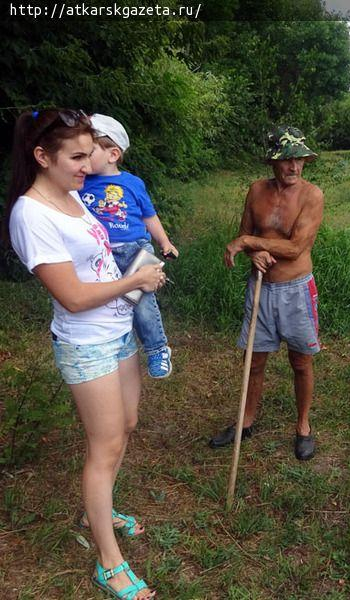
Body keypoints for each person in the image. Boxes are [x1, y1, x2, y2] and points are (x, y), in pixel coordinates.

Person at [3, 109, 165, 599]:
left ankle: (101, 505)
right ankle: (109, 562)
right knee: (106, 444)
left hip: (118, 331)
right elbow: (71, 296)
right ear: (41, 156)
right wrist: (135, 280)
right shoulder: (31, 214)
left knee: (127, 424)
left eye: (88, 152)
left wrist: (137, 267)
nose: (87, 164)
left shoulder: (73, 194)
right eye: (76, 156)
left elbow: (98, 258)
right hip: (85, 342)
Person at [209, 126, 324, 460]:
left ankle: (303, 425)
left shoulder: (311, 195)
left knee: (300, 360)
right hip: (261, 287)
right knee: (254, 359)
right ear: (273, 162)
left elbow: (296, 247)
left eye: (299, 160)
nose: (294, 167)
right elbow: (246, 232)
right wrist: (253, 250)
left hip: (296, 289)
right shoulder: (256, 190)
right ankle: (246, 421)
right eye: (286, 160)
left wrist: (247, 243)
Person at [80, 114, 177, 379]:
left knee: (142, 299)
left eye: (89, 152)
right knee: (112, 302)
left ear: (113, 154)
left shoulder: (133, 183)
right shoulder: (78, 184)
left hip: (136, 248)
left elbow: (149, 216)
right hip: (102, 253)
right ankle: (111, 344)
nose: (82, 159)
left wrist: (165, 242)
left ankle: (157, 348)